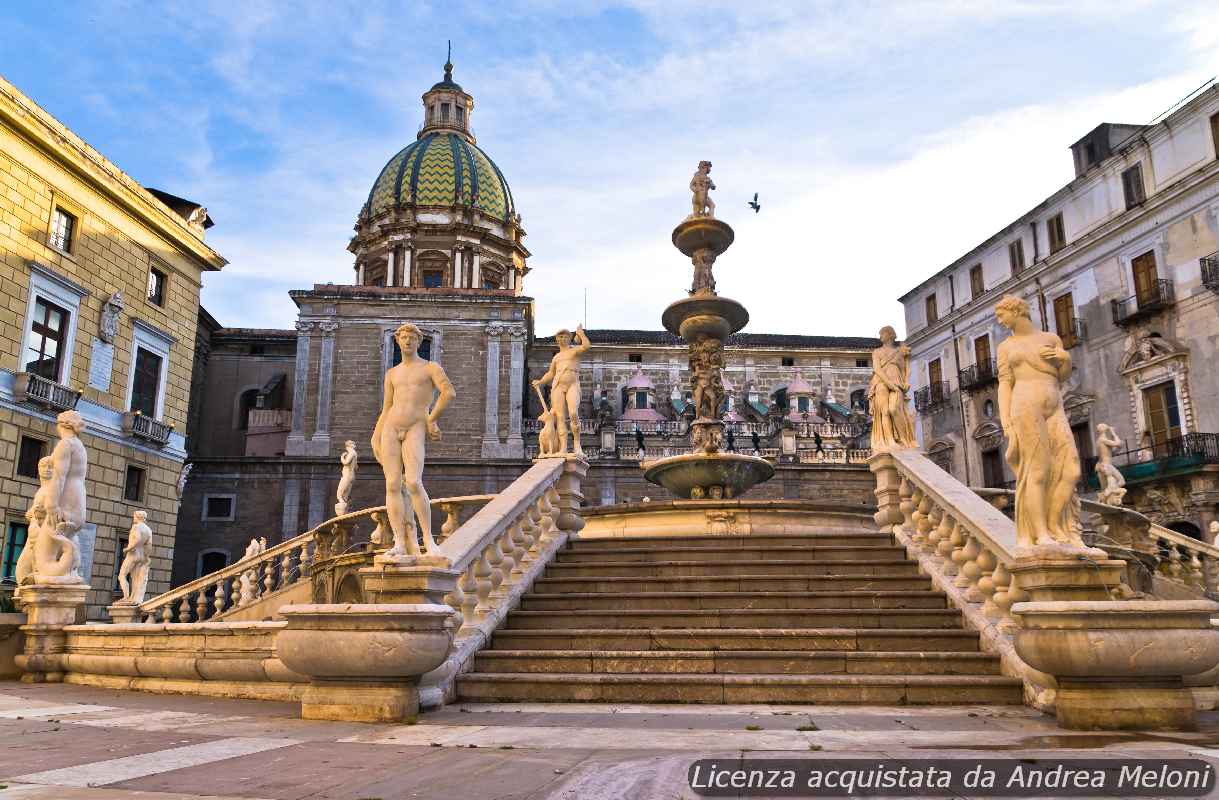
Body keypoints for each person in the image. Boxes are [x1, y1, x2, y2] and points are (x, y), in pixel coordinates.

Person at [994, 295, 1084, 550]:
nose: (1000, 321)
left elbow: (1061, 376)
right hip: (1025, 403)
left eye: (1002, 315)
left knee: (1071, 468)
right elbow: (1004, 384)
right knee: (1038, 470)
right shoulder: (1006, 347)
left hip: (1054, 402)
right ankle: (1041, 534)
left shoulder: (1050, 339)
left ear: (1016, 310)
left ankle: (1054, 524)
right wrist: (1006, 422)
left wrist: (1064, 359)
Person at [372, 322, 455, 558]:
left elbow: (449, 393)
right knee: (391, 484)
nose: (407, 341)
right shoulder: (392, 373)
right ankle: (399, 542)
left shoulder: (430, 367)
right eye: (403, 338)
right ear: (398, 341)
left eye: (411, 338)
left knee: (414, 483)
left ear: (419, 341)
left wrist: (432, 419)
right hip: (390, 426)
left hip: (416, 425)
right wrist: (376, 435)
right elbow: (386, 407)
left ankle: (428, 540)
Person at [533, 325, 591, 457]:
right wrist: (540, 381)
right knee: (559, 418)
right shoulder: (556, 358)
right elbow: (550, 373)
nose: (563, 338)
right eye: (560, 336)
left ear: (569, 339)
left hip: (573, 385)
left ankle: (577, 445)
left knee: (573, 413)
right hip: (558, 385)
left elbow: (586, 346)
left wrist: (581, 334)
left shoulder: (574, 351)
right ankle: (563, 448)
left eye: (565, 336)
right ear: (557, 340)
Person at [867, 326, 916, 452]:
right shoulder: (877, 352)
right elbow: (877, 369)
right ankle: (889, 441)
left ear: (890, 334)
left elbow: (906, 368)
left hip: (897, 382)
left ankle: (904, 439)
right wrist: (888, 383)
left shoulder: (900, 351)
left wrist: (906, 382)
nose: (880, 337)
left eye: (882, 334)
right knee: (884, 411)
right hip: (881, 382)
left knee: (894, 409)